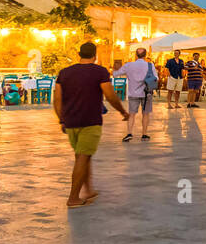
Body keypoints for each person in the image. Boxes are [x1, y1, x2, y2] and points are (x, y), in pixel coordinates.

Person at [54, 42, 129, 208]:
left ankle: (88, 190)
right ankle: (73, 198)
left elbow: (57, 99)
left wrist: (61, 119)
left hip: (71, 122)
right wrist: (122, 111)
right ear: (95, 55)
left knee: (82, 155)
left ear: (79, 54)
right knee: (82, 157)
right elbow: (109, 95)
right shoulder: (100, 72)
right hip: (90, 121)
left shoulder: (64, 73)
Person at [112, 46, 156, 142]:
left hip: (133, 93)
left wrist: (114, 68)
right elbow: (156, 78)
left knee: (132, 114)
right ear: (145, 55)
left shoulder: (128, 65)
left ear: (136, 55)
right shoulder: (150, 65)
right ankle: (144, 134)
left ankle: (129, 133)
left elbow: (115, 74)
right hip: (146, 93)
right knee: (145, 114)